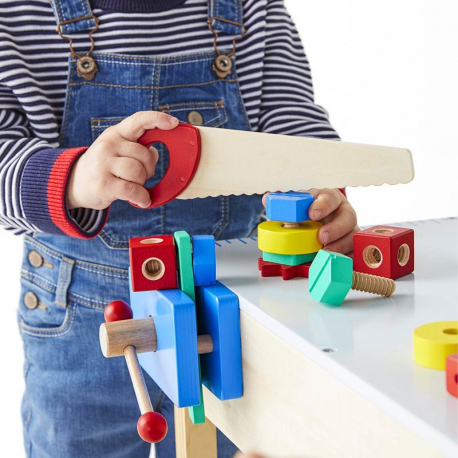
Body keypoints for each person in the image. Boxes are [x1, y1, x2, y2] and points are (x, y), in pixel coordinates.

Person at [0, 0, 358, 456]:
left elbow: (291, 131)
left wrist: (320, 201)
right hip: (82, 322)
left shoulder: (254, 9)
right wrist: (72, 179)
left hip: (233, 315)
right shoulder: (15, 16)